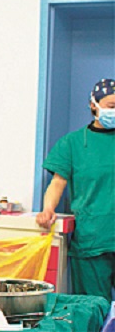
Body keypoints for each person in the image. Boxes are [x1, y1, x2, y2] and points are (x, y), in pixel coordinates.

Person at [37, 78, 115, 303]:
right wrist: (48, 209)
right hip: (93, 239)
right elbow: (57, 182)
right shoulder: (72, 143)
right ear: (93, 105)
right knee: (94, 308)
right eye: (111, 106)